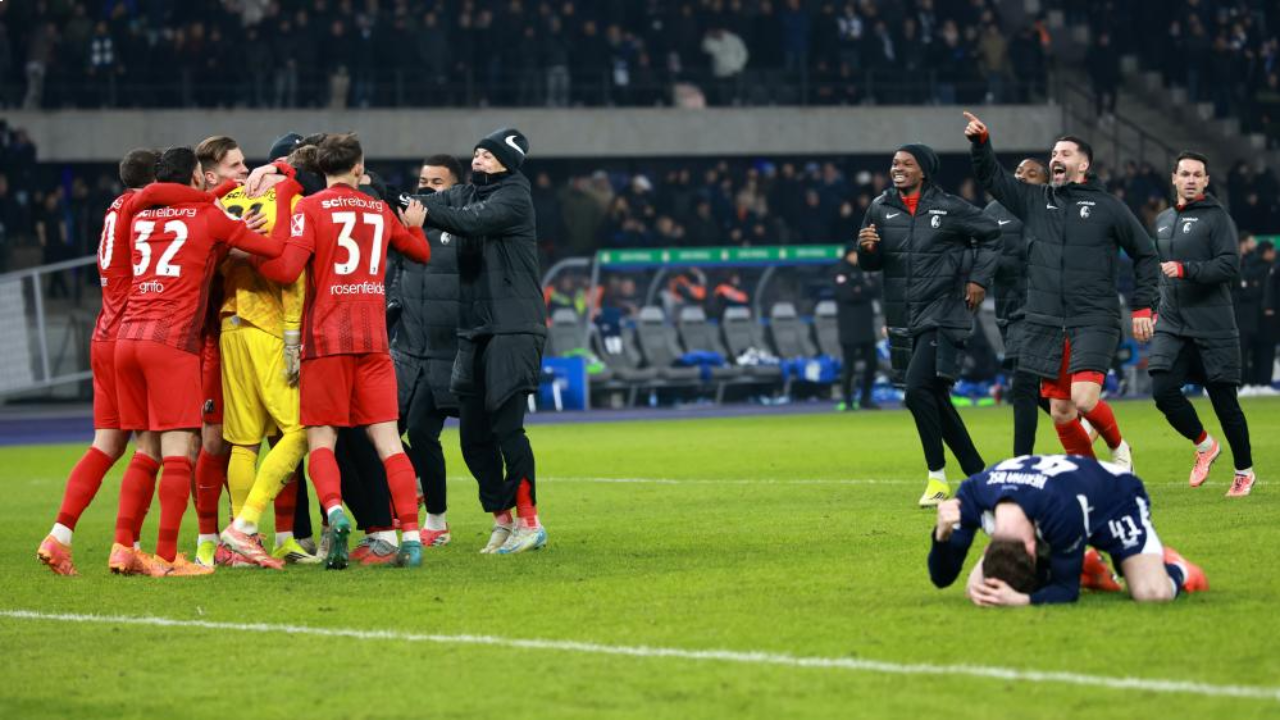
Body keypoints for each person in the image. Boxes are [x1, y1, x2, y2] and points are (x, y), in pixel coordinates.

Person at [251, 133, 432, 570]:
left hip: (327, 340)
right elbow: (420, 253)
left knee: (322, 440)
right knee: (389, 443)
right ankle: (410, 536)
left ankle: (334, 513)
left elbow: (286, 269)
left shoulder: (309, 209)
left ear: (321, 169)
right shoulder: (377, 208)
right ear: (357, 167)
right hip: (372, 342)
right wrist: (414, 227)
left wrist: (251, 247)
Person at [110, 146, 286, 576]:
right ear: (194, 176)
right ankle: (167, 559)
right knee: (178, 451)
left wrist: (222, 191)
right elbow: (273, 250)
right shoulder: (209, 217)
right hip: (172, 342)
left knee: (145, 450)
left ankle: (123, 547)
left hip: (127, 339)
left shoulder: (137, 213)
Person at [965, 111, 1159, 471]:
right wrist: (981, 145)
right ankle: (1091, 476)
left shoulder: (1108, 206)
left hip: (1093, 317)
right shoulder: (1037, 201)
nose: (1056, 158)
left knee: (1084, 400)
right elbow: (993, 177)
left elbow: (1146, 254)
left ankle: (1119, 447)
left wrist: (1144, 306)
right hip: (1047, 321)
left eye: (1065, 153)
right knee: (1060, 411)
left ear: (1084, 164)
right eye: (1054, 153)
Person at [418, 128, 548, 554]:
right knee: (473, 436)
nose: (478, 160)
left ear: (508, 164)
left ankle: (531, 522)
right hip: (474, 328)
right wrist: (368, 189)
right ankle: (503, 520)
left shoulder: (514, 197)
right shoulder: (466, 195)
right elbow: (423, 203)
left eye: (488, 156)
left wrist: (423, 211)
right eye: (475, 153)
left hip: (514, 326)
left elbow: (467, 222)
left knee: (507, 428)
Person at [36, 149, 162, 576]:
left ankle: (60, 535)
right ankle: (127, 546)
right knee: (151, 444)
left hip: (104, 332)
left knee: (106, 444)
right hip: (133, 334)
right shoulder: (143, 206)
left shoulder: (114, 207)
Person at [857, 143, 1000, 507]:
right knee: (934, 396)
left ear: (924, 171)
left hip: (943, 312)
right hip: (904, 317)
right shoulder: (879, 207)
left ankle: (937, 478)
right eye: (894, 163)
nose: (898, 168)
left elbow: (992, 234)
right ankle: (979, 475)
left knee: (916, 392)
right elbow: (871, 265)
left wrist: (978, 279)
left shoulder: (949, 207)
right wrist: (867, 250)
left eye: (906, 163)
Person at [212, 134, 326, 569]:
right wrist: (294, 338)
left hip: (229, 324)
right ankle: (244, 527)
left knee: (243, 443)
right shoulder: (294, 202)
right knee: (299, 430)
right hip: (267, 326)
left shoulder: (230, 198)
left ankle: (240, 545)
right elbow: (292, 278)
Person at [929, 454, 1208, 606]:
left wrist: (1023, 599)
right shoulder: (970, 495)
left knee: (1152, 595)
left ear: (1034, 548)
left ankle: (1177, 569)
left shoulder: (1061, 511)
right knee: (978, 590)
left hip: (1115, 499)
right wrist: (941, 536)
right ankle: (1084, 563)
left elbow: (1066, 590)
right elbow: (942, 579)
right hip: (1058, 501)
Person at [1149, 152, 1256, 496]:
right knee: (1162, 391)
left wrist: (1186, 269)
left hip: (1213, 326)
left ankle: (1244, 471)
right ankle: (1205, 445)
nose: (1191, 179)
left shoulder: (1218, 218)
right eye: (1185, 174)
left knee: (1225, 404)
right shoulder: (1163, 220)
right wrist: (1155, 306)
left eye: (1198, 175)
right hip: (1172, 324)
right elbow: (1158, 272)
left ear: (1207, 181)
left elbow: (1229, 265)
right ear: (1174, 178)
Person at [984, 157, 1092, 456]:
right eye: (1018, 171)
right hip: (1008, 311)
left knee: (1022, 385)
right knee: (1037, 390)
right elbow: (978, 251)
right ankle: (1086, 425)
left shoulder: (1051, 211)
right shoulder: (992, 211)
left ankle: (1022, 461)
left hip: (1041, 310)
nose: (1022, 176)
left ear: (1044, 183)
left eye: (1032, 174)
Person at [389, 153, 466, 548]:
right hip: (405, 351)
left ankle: (436, 520)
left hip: (445, 353)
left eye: (437, 183)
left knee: (421, 431)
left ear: (455, 188)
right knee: (381, 434)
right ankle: (413, 488)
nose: (425, 189)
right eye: (422, 181)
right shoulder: (403, 230)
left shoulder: (466, 229)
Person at [831, 243, 880, 411]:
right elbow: (847, 295)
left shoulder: (864, 269)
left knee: (872, 363)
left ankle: (866, 398)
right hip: (849, 327)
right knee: (849, 366)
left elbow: (875, 288)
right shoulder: (839, 270)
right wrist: (862, 290)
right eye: (855, 254)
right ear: (848, 255)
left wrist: (860, 289)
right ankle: (848, 400)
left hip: (866, 326)